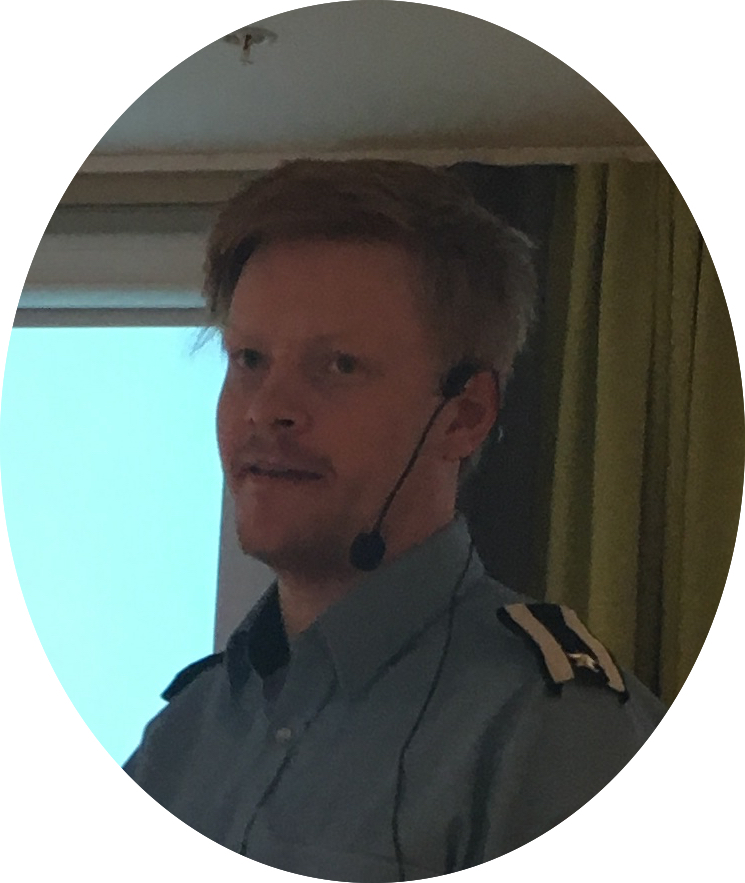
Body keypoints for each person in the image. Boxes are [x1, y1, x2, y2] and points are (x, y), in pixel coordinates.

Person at [123, 159, 665, 881]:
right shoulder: (184, 733)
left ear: (464, 415)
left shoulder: (553, 730)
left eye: (338, 366)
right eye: (249, 358)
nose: (266, 409)